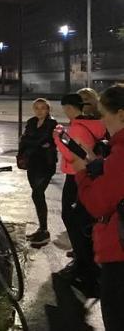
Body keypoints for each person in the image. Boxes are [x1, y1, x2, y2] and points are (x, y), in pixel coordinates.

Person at [71, 85, 124, 330]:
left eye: (103, 115)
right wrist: (101, 164)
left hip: (119, 254)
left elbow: (97, 204)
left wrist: (81, 172)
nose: (102, 121)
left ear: (121, 114)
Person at [53, 93, 107, 295]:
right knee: (80, 220)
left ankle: (86, 271)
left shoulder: (77, 127)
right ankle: (85, 265)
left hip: (77, 177)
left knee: (72, 219)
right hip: (87, 175)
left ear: (68, 108)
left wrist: (58, 139)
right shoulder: (93, 124)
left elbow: (72, 155)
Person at [18, 98, 58, 247]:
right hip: (32, 163)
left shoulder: (52, 124)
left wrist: (33, 142)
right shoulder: (31, 122)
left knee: (37, 193)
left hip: (46, 164)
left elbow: (44, 140)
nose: (40, 111)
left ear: (48, 109)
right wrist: (36, 143)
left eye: (43, 108)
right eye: (37, 108)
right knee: (37, 195)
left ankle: (44, 231)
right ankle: (41, 229)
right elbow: (24, 140)